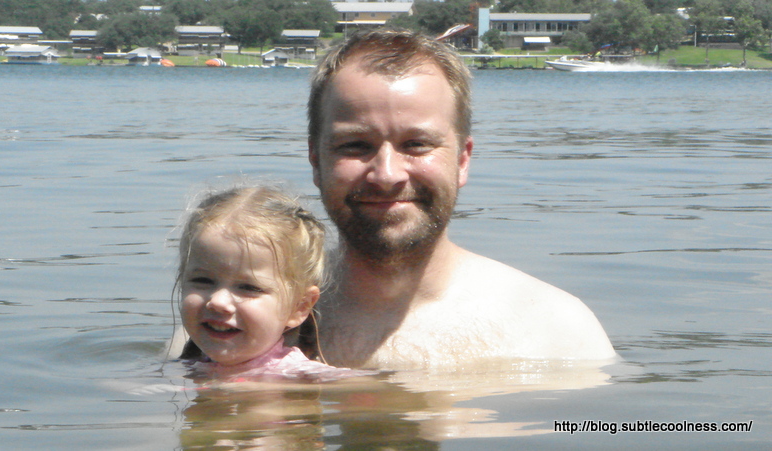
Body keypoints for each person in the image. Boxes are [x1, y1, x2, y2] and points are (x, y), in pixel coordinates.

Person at [303, 29, 616, 369]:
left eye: (417, 144)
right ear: (317, 161)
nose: (387, 175)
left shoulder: (556, 332)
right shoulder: (256, 322)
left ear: (462, 160)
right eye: (355, 145)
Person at [175, 184, 368, 381]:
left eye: (248, 287)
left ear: (299, 307)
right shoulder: (188, 366)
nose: (218, 301)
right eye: (202, 280)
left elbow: (374, 390)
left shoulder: (298, 375)